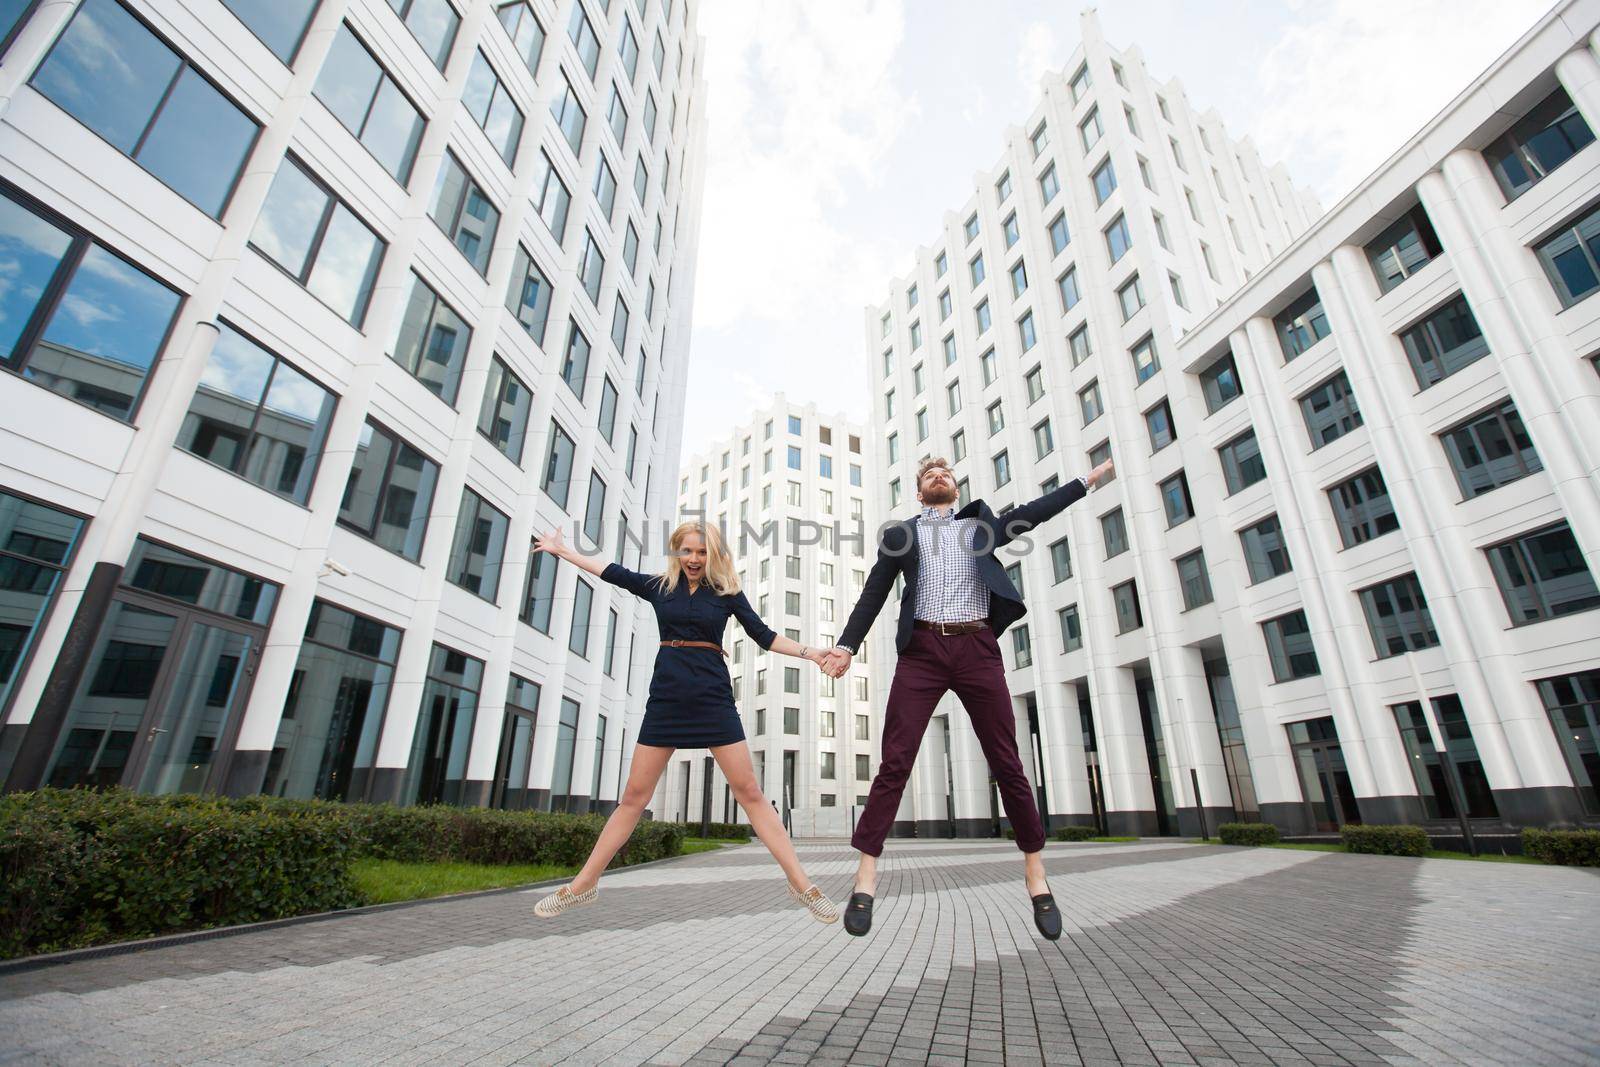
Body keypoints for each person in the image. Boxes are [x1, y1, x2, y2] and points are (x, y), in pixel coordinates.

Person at [822, 454, 1114, 939]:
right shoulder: (901, 535)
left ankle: (1036, 874)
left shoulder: (981, 526)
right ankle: (865, 878)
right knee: (895, 762)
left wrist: (1085, 482)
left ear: (955, 490)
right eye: (930, 476)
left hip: (977, 646)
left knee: (1008, 761)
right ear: (919, 493)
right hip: (922, 650)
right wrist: (847, 646)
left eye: (946, 475)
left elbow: (1038, 510)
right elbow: (874, 592)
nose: (940, 478)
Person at [531, 520, 838, 924]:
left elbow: (764, 635)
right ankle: (583, 885)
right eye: (686, 551)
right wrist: (563, 551)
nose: (693, 559)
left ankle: (802, 884)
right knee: (633, 798)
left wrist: (811, 652)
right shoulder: (660, 587)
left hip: (712, 697)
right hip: (668, 698)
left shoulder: (726, 594)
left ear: (713, 555)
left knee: (750, 793)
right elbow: (611, 571)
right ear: (676, 553)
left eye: (701, 552)